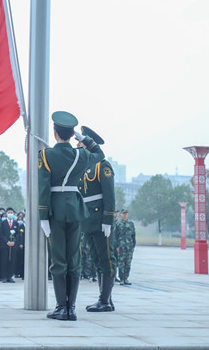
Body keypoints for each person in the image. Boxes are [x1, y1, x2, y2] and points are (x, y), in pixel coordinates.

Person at [38, 111, 105, 321]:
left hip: (55, 210)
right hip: (75, 209)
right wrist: (84, 139)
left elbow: (43, 187)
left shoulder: (46, 155)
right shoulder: (81, 155)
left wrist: (42, 216)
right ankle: (71, 309)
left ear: (55, 133)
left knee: (58, 258)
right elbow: (100, 155)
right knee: (74, 258)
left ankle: (61, 307)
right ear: (71, 134)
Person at [78, 126, 117, 313]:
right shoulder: (82, 165)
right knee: (96, 259)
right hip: (87, 220)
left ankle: (104, 300)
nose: (78, 144)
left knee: (106, 259)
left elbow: (109, 195)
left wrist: (108, 220)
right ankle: (106, 298)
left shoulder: (102, 165)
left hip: (101, 219)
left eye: (81, 142)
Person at [0, 207, 19, 283]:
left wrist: (14, 241)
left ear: (13, 214)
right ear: (6, 213)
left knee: (12, 261)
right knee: (4, 261)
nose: (10, 214)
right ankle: (4, 277)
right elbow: (1, 234)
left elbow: (18, 234)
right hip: (5, 245)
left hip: (13, 246)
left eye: (11, 212)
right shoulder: (2, 223)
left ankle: (10, 276)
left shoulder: (16, 223)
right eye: (9, 212)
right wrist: (7, 241)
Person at [116, 209, 136, 286]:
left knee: (128, 263)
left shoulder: (131, 224)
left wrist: (133, 246)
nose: (125, 215)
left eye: (126, 214)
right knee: (121, 263)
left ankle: (126, 278)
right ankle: (121, 279)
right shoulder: (118, 224)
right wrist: (117, 246)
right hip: (121, 246)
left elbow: (133, 235)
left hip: (129, 246)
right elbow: (116, 236)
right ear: (121, 214)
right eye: (123, 214)